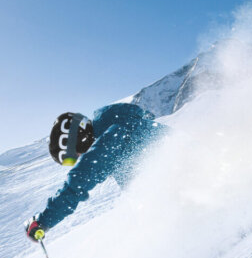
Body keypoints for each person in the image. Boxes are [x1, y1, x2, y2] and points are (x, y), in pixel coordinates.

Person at [25, 103, 165, 242]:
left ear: (79, 139)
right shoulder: (119, 129)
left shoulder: (114, 135)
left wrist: (44, 221)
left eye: (73, 156)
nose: (79, 159)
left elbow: (79, 181)